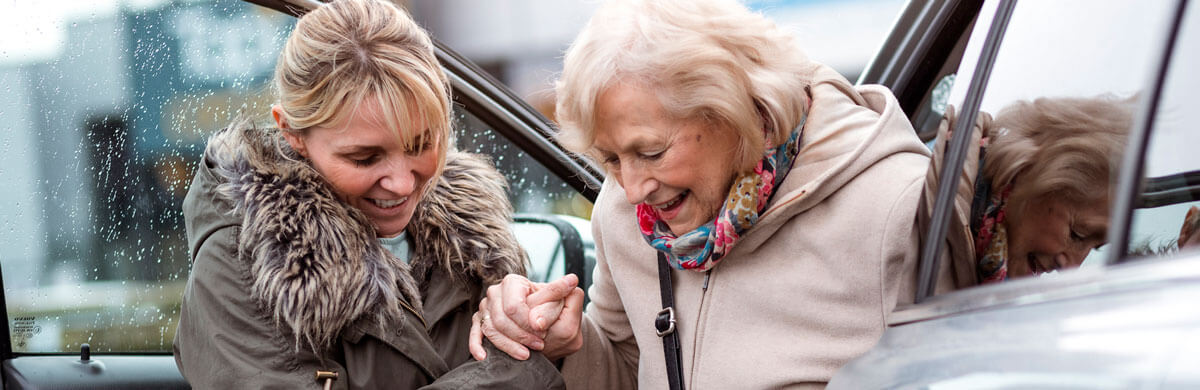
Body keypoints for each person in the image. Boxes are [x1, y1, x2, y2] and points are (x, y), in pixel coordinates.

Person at [468, 0, 932, 387]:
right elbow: (631, 370)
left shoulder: (896, 207)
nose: (631, 191)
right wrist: (561, 345)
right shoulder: (626, 212)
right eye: (610, 159)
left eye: (650, 152)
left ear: (734, 111)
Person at [173, 0, 563, 388]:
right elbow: (511, 367)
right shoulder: (244, 262)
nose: (403, 183)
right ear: (291, 132)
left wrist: (540, 325)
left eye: (421, 144)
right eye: (365, 158)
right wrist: (523, 368)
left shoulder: (473, 239)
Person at [932, 95, 1134, 288]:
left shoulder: (990, 273)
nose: (1072, 267)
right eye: (1077, 235)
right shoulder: (915, 215)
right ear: (1031, 172)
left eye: (1095, 247)